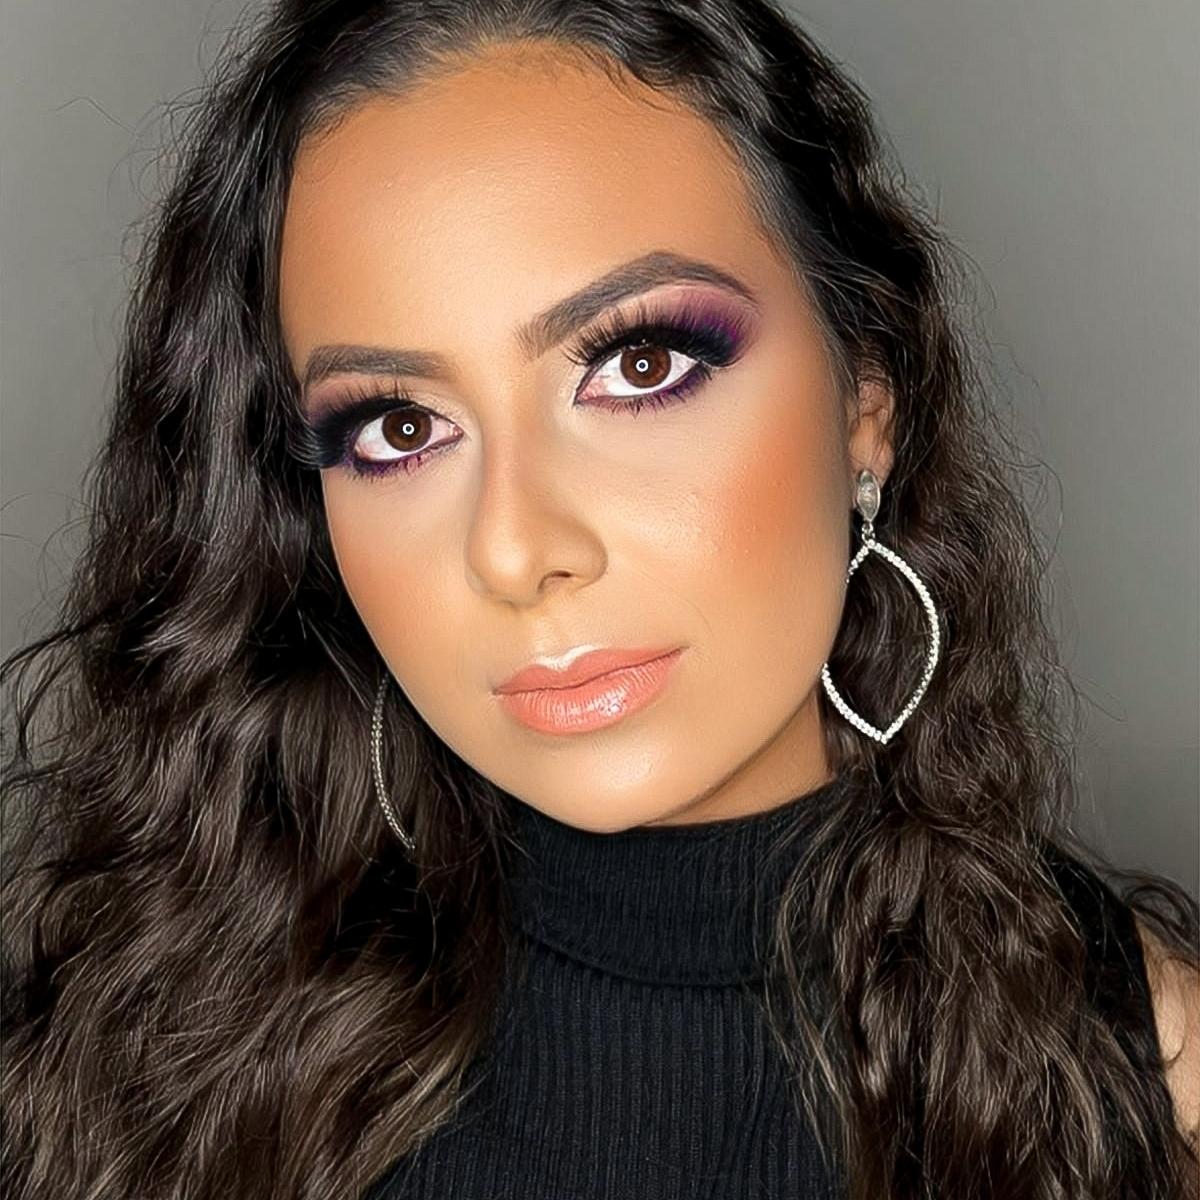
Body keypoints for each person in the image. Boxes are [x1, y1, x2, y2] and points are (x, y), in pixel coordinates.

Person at [1, 1, 1197, 1197]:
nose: (516, 550)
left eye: (639, 364)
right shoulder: (138, 1066)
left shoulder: (1133, 1067)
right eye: (400, 428)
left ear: (864, 403)